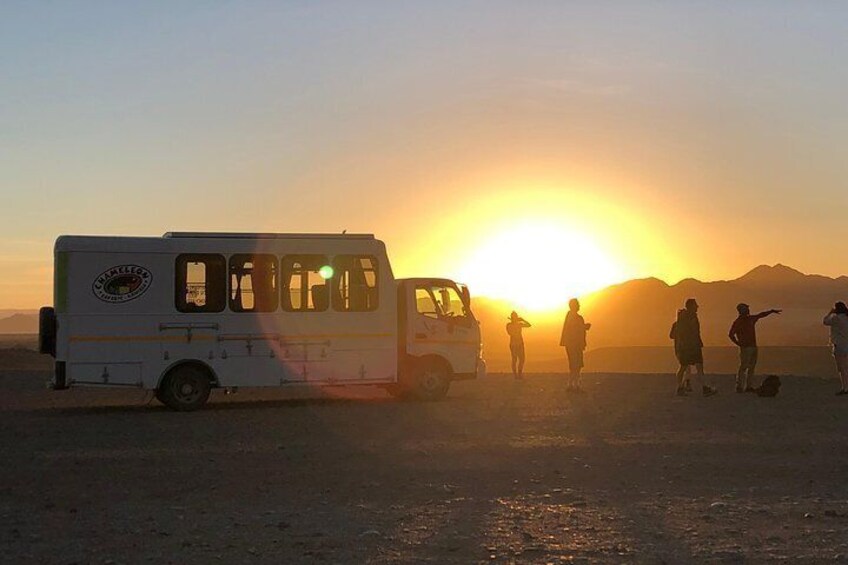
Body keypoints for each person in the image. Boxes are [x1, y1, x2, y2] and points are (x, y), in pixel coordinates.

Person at [728, 303, 782, 393]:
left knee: (751, 367)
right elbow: (731, 335)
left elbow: (761, 315)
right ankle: (740, 386)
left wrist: (771, 311)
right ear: (742, 310)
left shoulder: (749, 319)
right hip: (746, 347)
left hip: (752, 346)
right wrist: (739, 343)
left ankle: (748, 386)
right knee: (744, 367)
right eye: (746, 308)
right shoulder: (739, 322)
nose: (748, 310)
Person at [674, 298, 717, 397]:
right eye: (695, 305)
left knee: (684, 367)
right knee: (698, 367)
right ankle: (704, 388)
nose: (697, 307)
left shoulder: (683, 318)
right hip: (692, 346)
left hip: (687, 346)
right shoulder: (690, 317)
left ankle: (680, 387)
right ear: (691, 306)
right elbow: (692, 332)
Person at [561, 298, 591, 392]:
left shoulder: (572, 316)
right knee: (575, 364)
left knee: (575, 364)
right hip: (574, 344)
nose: (579, 306)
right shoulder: (573, 316)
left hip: (573, 344)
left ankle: (573, 383)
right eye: (577, 304)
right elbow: (574, 328)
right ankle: (574, 384)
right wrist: (584, 327)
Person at [823, 301, 848, 395]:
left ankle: (845, 388)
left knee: (842, 368)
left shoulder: (836, 318)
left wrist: (830, 312)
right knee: (846, 367)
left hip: (840, 347)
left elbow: (825, 321)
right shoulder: (846, 318)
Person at [506, 311, 531, 380]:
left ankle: (519, 374)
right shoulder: (509, 325)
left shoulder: (518, 324)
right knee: (514, 359)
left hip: (520, 344)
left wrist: (523, 320)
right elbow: (510, 333)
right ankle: (515, 375)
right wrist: (518, 323)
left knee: (522, 359)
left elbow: (529, 325)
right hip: (514, 344)